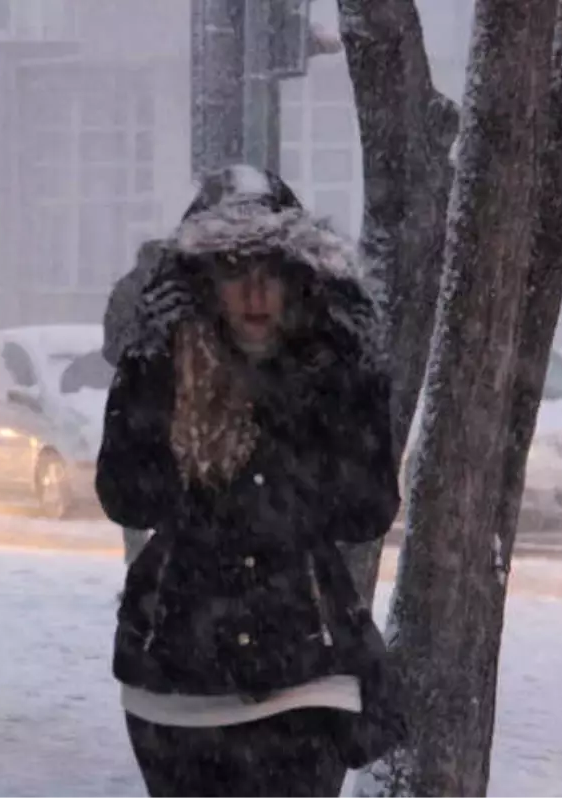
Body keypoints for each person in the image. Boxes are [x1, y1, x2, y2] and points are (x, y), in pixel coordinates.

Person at [96, 165, 400, 798]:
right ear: (203, 281)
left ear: (301, 279)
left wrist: (352, 380)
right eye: (234, 270)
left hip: (305, 668)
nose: (255, 292)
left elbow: (366, 511)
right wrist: (149, 368)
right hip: (175, 678)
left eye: (273, 270)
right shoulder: (163, 366)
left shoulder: (330, 369)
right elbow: (128, 496)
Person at [102, 239, 168, 565]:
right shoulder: (162, 293)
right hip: (152, 402)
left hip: (140, 402)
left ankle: (139, 568)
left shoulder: (128, 291)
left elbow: (109, 348)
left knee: (137, 493)